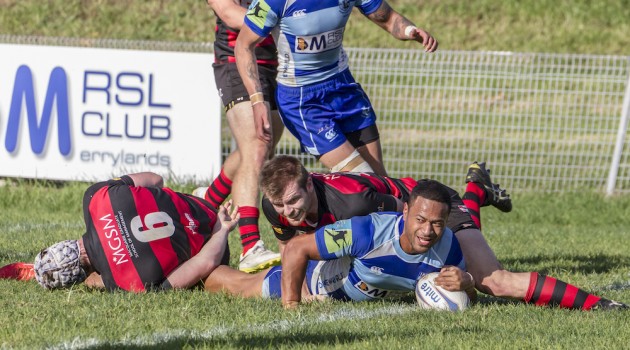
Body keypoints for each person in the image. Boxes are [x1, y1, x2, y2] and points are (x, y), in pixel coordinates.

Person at [252, 155, 626, 310]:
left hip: (427, 204)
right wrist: (298, 298)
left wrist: (454, 272)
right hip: (419, 211)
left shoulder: (357, 204)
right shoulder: (276, 203)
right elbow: (292, 250)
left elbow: (412, 224)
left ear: (307, 185)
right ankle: (478, 186)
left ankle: (602, 306)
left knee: (492, 280)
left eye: (292, 203)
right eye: (280, 207)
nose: (287, 213)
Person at [235, 0, 438, 176]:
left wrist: (411, 30)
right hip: (302, 100)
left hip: (343, 86)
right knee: (363, 178)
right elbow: (243, 46)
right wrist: (257, 100)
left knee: (380, 179)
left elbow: (388, 18)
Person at [205, 180, 477, 307]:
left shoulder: (449, 247)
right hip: (314, 280)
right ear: (405, 212)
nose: (427, 231)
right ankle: (199, 262)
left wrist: (466, 282)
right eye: (420, 220)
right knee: (232, 285)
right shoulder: (367, 231)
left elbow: (465, 297)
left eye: (437, 224)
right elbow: (297, 248)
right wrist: (294, 305)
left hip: (353, 296)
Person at [193, 0, 285, 273]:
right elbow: (230, 14)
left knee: (258, 150)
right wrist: (285, 22)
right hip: (234, 61)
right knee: (256, 146)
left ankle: (208, 201)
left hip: (276, 65)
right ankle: (250, 246)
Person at [32, 172, 239, 292]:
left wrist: (221, 230)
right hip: (199, 205)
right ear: (62, 243)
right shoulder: (94, 197)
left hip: (217, 245)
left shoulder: (125, 284)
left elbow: (205, 263)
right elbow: (156, 179)